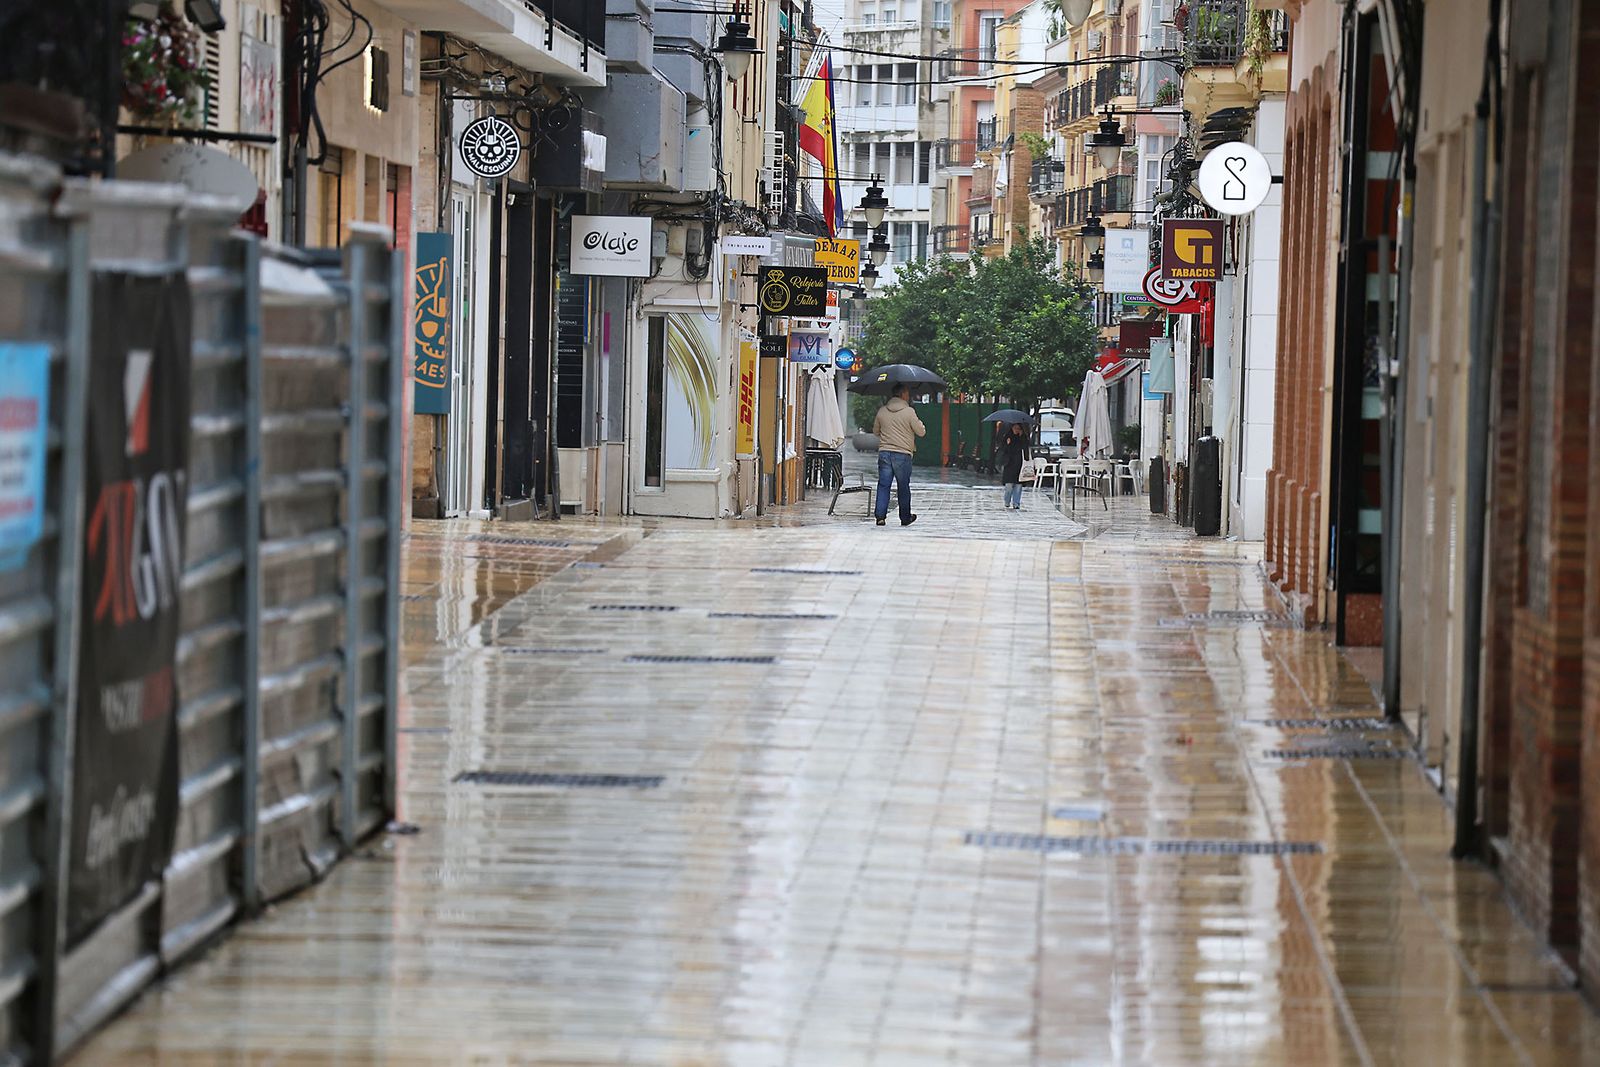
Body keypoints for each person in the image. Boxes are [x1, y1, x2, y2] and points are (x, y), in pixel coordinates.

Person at [871, 384, 926, 526]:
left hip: (884, 453)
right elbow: (921, 432)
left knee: (883, 485)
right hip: (903, 454)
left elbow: (876, 431)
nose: (908, 396)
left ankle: (880, 516)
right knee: (903, 486)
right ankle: (905, 517)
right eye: (907, 393)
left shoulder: (882, 411)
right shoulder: (909, 412)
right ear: (902, 394)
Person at [997, 421, 1032, 510]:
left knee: (1018, 485)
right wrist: (1008, 444)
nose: (1016, 430)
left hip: (1020, 464)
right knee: (1009, 485)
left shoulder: (1023, 437)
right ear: (1012, 428)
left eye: (1018, 428)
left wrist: (1022, 437)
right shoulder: (1007, 437)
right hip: (1009, 464)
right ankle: (1007, 501)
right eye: (1015, 428)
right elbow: (1003, 449)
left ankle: (1016, 503)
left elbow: (1026, 448)